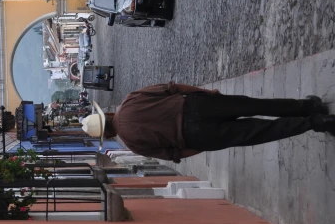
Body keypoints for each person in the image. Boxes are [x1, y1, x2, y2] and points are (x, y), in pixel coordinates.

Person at [79, 83, 332, 162]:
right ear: (107, 115)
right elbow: (171, 87)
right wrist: (205, 93)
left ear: (108, 134)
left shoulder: (134, 145)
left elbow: (175, 154)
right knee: (257, 105)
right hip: (195, 105)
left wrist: (203, 145)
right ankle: (308, 106)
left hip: (195, 135)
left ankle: (317, 122)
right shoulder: (130, 100)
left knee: (260, 131)